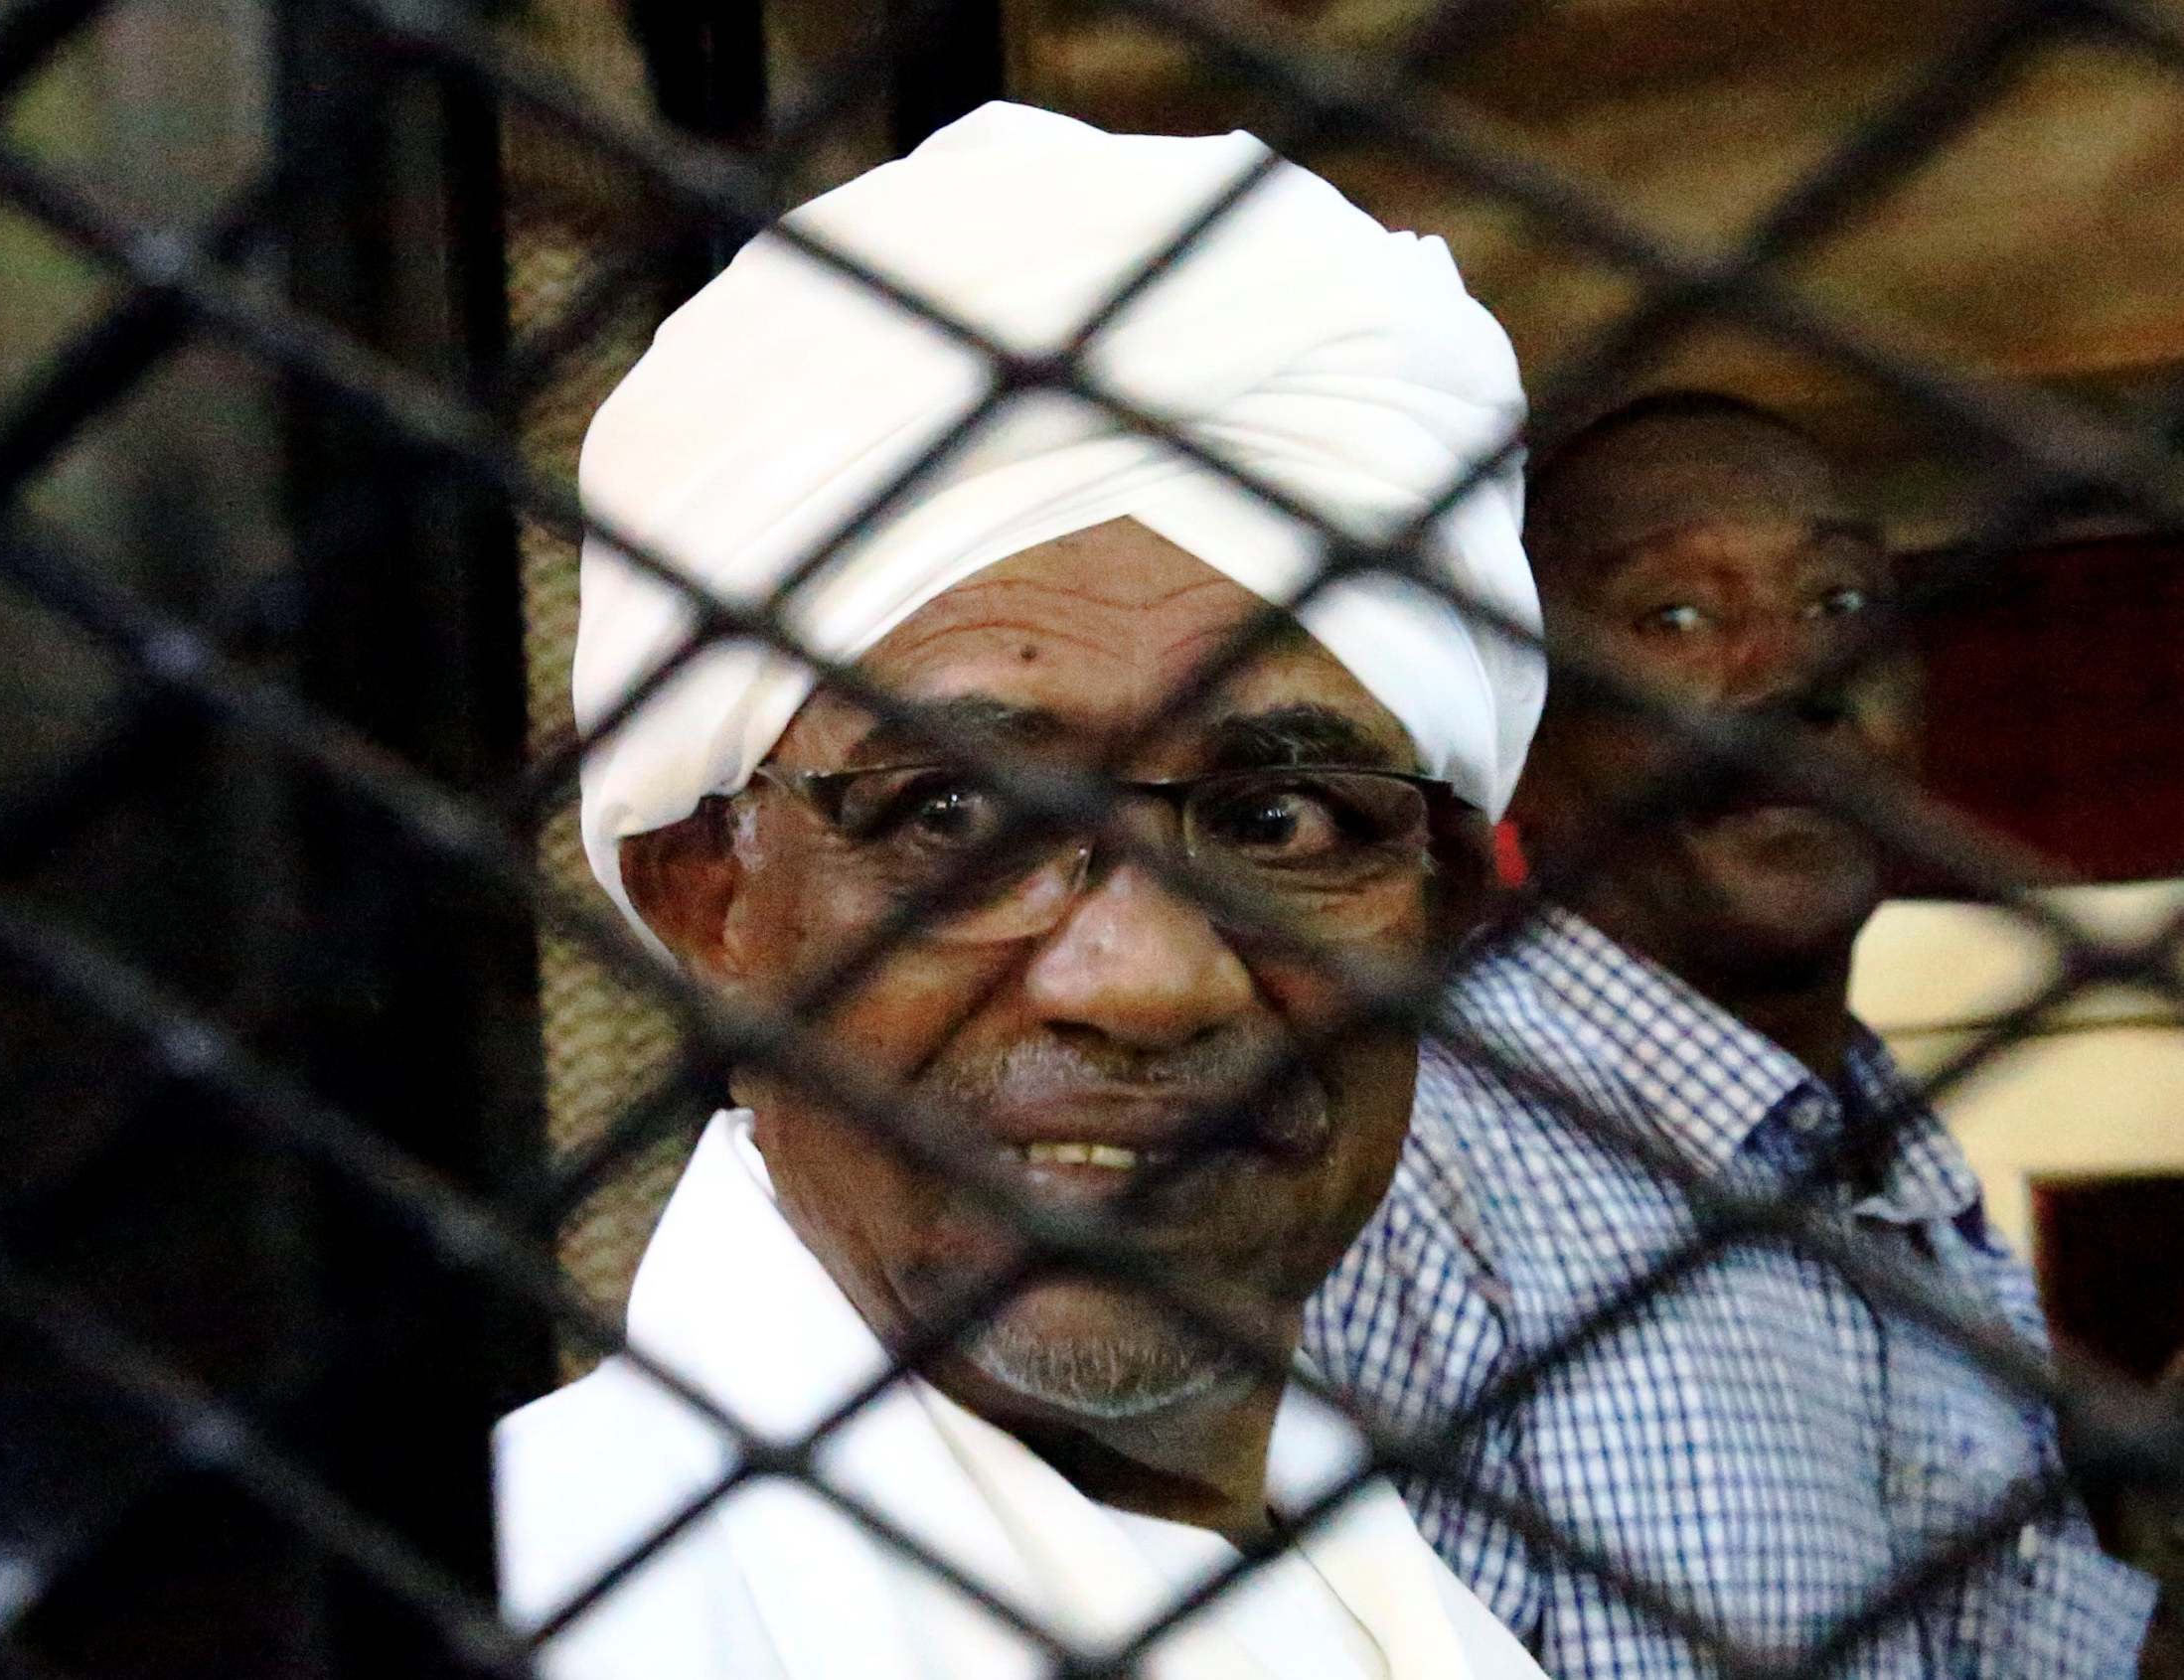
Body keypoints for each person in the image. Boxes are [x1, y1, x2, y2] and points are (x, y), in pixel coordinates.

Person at [495, 102, 1553, 1679]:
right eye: (956, 819)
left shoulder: (1415, 1623)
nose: (1143, 979)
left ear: (1440, 905)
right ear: (712, 902)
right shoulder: (524, 1609)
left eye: (1281, 821)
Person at [1307, 390, 2160, 1676]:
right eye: (1678, 617)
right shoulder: (1412, 1157)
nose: (1794, 679)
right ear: (1521, 725)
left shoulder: (1911, 1190)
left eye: (1840, 603)